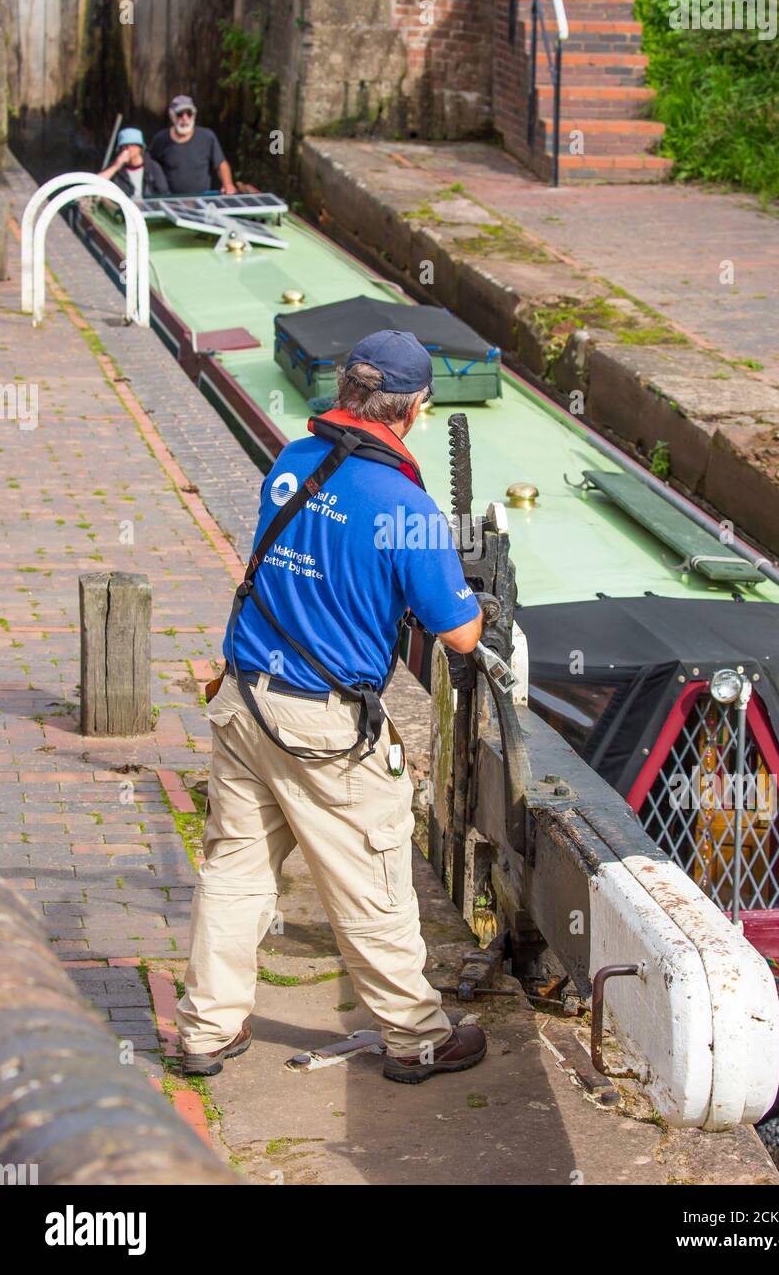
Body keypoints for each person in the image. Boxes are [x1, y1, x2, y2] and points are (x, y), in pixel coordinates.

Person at [176, 330, 489, 1084]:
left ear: (346, 392)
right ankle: (415, 1040)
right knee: (370, 883)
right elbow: (461, 632)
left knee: (235, 869)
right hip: (322, 727)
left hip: (244, 699)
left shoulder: (291, 462)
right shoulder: (405, 507)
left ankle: (205, 1032)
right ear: (413, 409)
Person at [148, 95, 236, 196]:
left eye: (189, 113)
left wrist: (228, 184)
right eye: (180, 114)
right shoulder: (160, 139)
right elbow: (148, 164)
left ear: (194, 115)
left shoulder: (207, 137)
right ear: (172, 116)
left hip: (202, 201)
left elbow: (221, 164)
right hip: (171, 202)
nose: (185, 118)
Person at [98, 127, 170, 200]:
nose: (129, 148)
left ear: (140, 148)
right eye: (125, 146)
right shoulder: (116, 167)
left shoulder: (153, 167)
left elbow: (164, 193)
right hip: (124, 209)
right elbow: (95, 182)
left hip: (148, 209)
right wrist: (116, 166)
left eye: (133, 145)